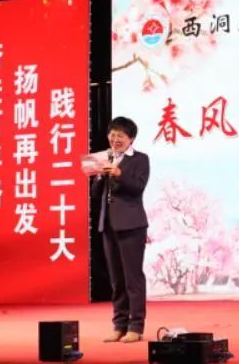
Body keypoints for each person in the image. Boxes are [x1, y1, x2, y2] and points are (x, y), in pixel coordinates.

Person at [91, 116, 150, 343]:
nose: (115, 139)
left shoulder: (140, 159)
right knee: (116, 279)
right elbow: (96, 195)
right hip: (108, 224)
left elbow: (138, 188)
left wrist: (119, 174)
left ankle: (136, 326)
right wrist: (99, 176)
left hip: (132, 225)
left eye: (121, 136)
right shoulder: (105, 158)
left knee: (132, 278)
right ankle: (119, 325)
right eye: (112, 134)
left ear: (131, 138)